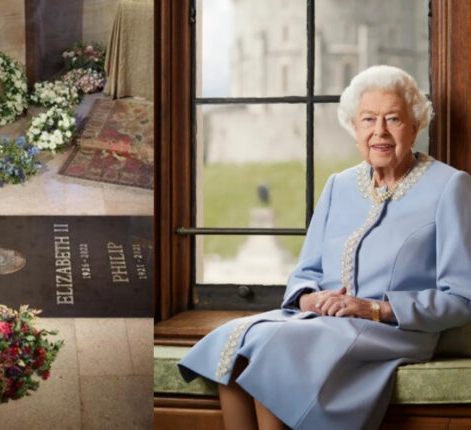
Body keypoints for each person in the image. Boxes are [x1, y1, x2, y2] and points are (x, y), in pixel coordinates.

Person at [178, 65, 471, 430]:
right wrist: (308, 300)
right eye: (368, 120)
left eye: (393, 119)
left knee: (276, 349)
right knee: (235, 339)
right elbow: (306, 273)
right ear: (355, 128)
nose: (379, 131)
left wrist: (373, 308)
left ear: (415, 125)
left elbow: (460, 298)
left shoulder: (450, 186)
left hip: (392, 331)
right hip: (322, 323)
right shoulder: (339, 185)